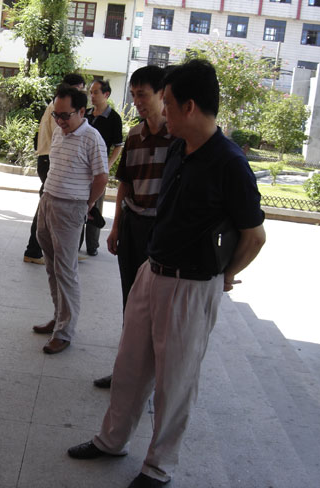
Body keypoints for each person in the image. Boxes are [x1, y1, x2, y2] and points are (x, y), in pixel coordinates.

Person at [67, 60, 266, 488]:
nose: (162, 109)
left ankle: (158, 467)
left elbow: (255, 236)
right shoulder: (179, 147)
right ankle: (112, 440)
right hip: (152, 271)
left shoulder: (230, 163)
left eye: (169, 102)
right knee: (129, 367)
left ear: (190, 106)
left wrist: (225, 275)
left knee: (174, 382)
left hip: (192, 286)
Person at [93, 65, 171, 389]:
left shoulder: (178, 138)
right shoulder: (135, 135)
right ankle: (126, 371)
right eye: (134, 95)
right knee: (130, 300)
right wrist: (116, 227)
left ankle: (152, 378)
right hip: (133, 226)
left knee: (157, 307)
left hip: (162, 233)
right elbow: (124, 183)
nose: (137, 101)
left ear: (162, 94)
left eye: (143, 95)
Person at [32, 85, 108, 354]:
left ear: (82, 111)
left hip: (71, 207)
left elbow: (102, 178)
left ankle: (65, 331)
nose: (60, 121)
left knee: (66, 270)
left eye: (65, 116)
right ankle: (58, 317)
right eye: (57, 115)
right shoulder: (59, 132)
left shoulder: (92, 138)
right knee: (51, 266)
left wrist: (86, 204)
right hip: (48, 201)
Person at [24, 73, 86, 265]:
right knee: (46, 206)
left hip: (49, 159)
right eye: (80, 90)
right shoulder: (58, 109)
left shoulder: (58, 106)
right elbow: (62, 134)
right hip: (49, 160)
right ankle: (33, 250)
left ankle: (62, 250)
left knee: (48, 205)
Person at [82, 79, 124, 256]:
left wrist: (107, 165)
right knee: (80, 205)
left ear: (106, 94)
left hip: (98, 171)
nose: (92, 95)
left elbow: (118, 145)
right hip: (82, 169)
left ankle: (92, 245)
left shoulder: (114, 118)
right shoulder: (86, 114)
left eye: (95, 92)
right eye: (91, 92)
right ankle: (75, 243)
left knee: (95, 207)